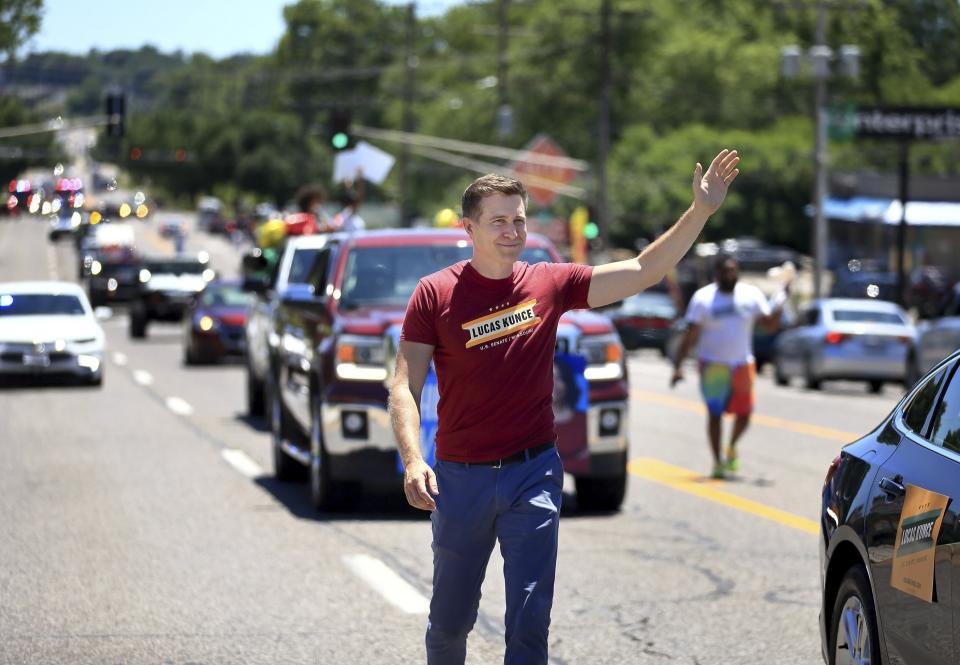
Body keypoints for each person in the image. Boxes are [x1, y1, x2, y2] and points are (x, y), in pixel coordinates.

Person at [389, 149, 739, 665]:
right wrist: (414, 459)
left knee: (529, 622)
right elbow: (403, 386)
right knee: (450, 623)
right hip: (460, 479)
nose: (512, 231)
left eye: (519, 220)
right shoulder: (434, 294)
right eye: (498, 221)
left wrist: (700, 212)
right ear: (468, 228)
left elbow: (643, 270)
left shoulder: (549, 282)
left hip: (533, 473)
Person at [670, 254, 789, 479]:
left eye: (733, 270)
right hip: (712, 365)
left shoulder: (750, 294)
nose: (729, 274)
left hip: (742, 363)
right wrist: (678, 365)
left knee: (745, 413)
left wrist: (781, 304)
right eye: (725, 271)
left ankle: (731, 446)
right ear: (716, 274)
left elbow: (769, 326)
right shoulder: (703, 298)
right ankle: (717, 462)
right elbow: (691, 336)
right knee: (715, 414)